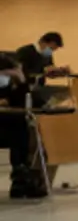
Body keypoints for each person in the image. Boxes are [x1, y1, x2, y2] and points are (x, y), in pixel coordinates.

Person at [0, 55, 45, 199]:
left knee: (26, 133)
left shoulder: (14, 86)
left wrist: (22, 81)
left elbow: (28, 101)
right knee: (21, 134)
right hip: (7, 130)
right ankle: (22, 176)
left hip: (13, 128)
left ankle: (23, 178)